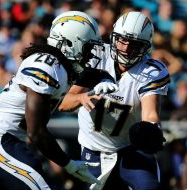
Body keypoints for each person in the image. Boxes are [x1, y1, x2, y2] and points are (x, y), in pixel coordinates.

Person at [0, 11, 118, 190]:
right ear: (70, 43)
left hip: (2, 139)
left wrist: (105, 79)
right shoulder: (47, 65)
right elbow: (36, 132)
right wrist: (68, 164)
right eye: (88, 47)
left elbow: (93, 74)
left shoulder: (60, 66)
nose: (91, 55)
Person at [59, 11, 170, 190]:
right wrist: (82, 97)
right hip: (93, 151)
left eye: (133, 44)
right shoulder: (96, 56)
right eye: (122, 40)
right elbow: (64, 103)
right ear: (113, 37)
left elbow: (150, 113)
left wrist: (151, 129)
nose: (125, 48)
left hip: (130, 150)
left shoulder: (151, 71)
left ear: (145, 46)